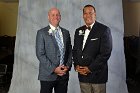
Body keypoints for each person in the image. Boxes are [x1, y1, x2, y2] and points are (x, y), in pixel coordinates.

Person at [73, 5, 112, 93]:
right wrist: (76, 66)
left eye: (90, 13)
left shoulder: (104, 30)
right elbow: (75, 50)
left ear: (95, 14)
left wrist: (90, 68)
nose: (88, 15)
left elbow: (105, 53)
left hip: (98, 76)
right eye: (85, 13)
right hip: (82, 75)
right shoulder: (78, 31)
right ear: (83, 15)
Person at [36, 7, 72, 93]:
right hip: (47, 75)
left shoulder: (66, 32)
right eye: (53, 15)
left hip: (63, 75)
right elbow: (40, 54)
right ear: (48, 17)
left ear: (60, 17)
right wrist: (54, 69)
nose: (55, 17)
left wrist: (67, 66)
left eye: (57, 15)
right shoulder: (41, 33)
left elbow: (70, 51)